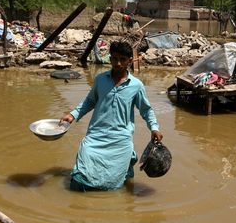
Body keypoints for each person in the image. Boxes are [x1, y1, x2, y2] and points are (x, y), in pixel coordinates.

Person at [60, 40, 163, 191]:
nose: (118, 63)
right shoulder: (100, 80)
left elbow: (146, 110)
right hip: (95, 136)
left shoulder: (136, 85)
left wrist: (154, 128)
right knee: (82, 169)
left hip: (121, 138)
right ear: (110, 58)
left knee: (116, 182)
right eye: (114, 58)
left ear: (130, 60)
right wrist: (73, 115)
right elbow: (90, 100)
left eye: (122, 59)